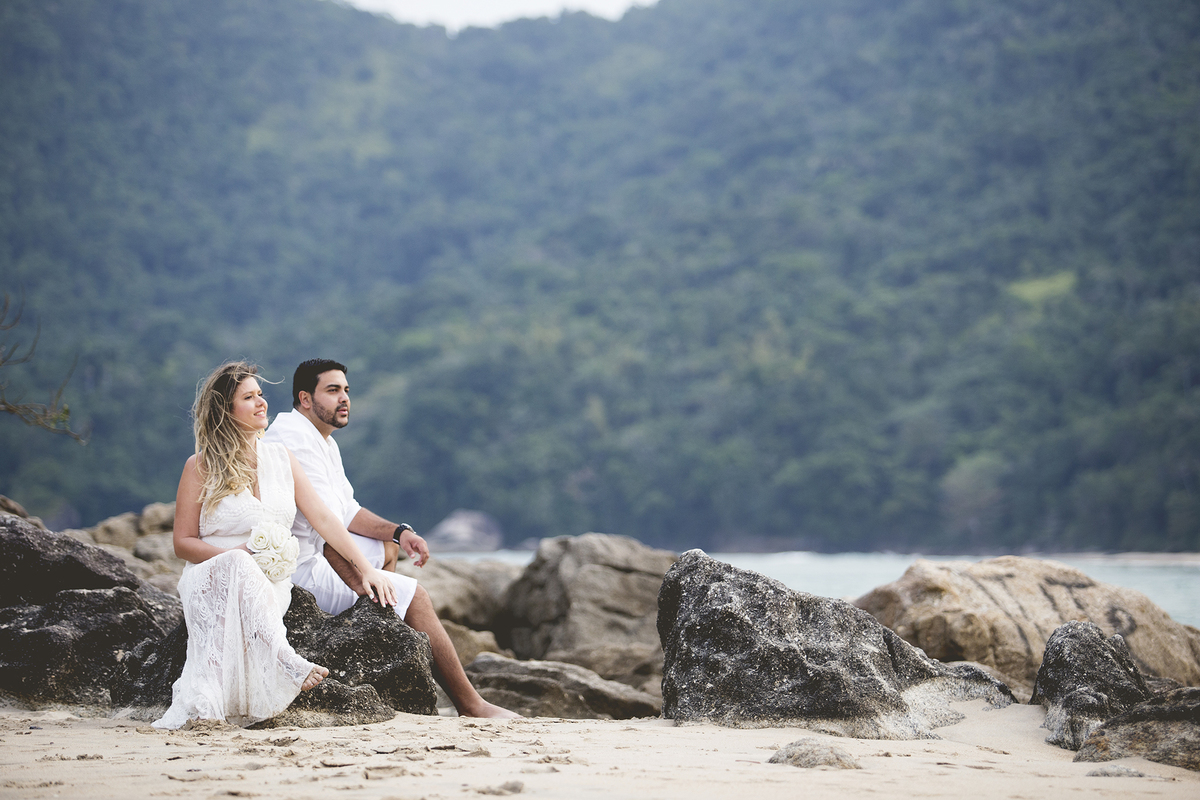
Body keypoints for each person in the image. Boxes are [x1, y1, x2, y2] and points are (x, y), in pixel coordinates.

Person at [264, 358, 518, 719]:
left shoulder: (321, 439)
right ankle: (471, 705)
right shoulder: (295, 440)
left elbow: (348, 512)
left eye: (347, 391)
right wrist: (367, 575)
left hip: (319, 554)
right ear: (305, 398)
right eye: (333, 391)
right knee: (416, 596)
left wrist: (400, 533)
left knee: (387, 546)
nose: (344, 399)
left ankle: (381, 627)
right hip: (300, 570)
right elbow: (327, 527)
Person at [153, 361, 399, 729]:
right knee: (238, 566)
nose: (261, 403)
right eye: (249, 398)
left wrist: (366, 569)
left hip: (271, 584)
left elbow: (325, 518)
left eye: (261, 395)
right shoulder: (199, 465)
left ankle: (218, 696)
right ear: (226, 409)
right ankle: (284, 661)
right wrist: (232, 555)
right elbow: (183, 543)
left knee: (248, 571)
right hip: (211, 577)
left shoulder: (282, 459)